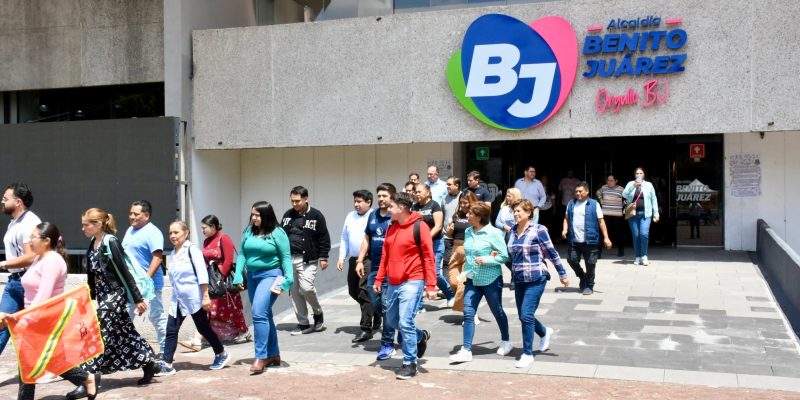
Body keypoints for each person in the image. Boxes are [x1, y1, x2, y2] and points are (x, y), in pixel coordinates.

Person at [0, 222, 98, 400]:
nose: (29, 242)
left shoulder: (52, 261)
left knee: (31, 363)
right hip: (35, 318)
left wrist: (20, 320)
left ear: (46, 241)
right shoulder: (40, 258)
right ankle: (87, 378)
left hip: (44, 320)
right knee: (44, 361)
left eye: (33, 238)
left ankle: (86, 378)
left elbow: (43, 298)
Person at [76, 208, 161, 395]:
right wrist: (90, 298)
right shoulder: (93, 243)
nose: (83, 228)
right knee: (124, 333)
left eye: (86, 224)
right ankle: (149, 362)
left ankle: (88, 379)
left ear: (98, 224)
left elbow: (124, 271)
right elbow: (91, 273)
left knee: (98, 335)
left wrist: (138, 298)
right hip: (103, 294)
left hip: (115, 295)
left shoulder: (111, 242)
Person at [373, 192, 436, 380]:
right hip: (393, 281)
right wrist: (379, 279)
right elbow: (385, 255)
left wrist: (431, 285)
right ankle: (420, 336)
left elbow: (428, 257)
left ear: (401, 208)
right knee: (392, 321)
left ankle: (410, 363)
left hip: (413, 280)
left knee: (404, 321)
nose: (387, 208)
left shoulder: (420, 226)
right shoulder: (391, 227)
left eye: (391, 206)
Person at [158, 221, 230, 376]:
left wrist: (205, 297)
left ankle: (221, 353)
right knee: (171, 329)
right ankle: (167, 364)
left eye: (176, 232)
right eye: (170, 233)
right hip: (178, 298)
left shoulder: (192, 250)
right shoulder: (173, 253)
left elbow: (202, 275)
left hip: (193, 298)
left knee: (203, 328)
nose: (172, 236)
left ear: (186, 232)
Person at [507, 199, 569, 368]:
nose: (516, 214)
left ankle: (527, 353)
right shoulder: (511, 231)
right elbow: (509, 256)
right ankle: (544, 332)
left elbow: (552, 253)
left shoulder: (539, 230)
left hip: (536, 277)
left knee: (526, 315)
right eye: (514, 211)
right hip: (519, 279)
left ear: (529, 213)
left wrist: (562, 273)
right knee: (523, 315)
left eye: (519, 211)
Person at [233, 201, 293, 374]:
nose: (253, 218)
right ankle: (274, 354)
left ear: (266, 215)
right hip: (252, 277)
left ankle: (261, 356)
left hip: (271, 275)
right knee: (265, 314)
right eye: (252, 214)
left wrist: (289, 278)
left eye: (257, 215)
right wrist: (238, 274)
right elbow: (243, 254)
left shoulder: (277, 233)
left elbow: (286, 258)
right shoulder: (248, 231)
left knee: (258, 313)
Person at [449, 203, 511, 363]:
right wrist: (464, 272)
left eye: (470, 213)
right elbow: (469, 253)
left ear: (479, 217)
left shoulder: (494, 233)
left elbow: (504, 256)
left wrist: (487, 259)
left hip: (491, 279)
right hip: (472, 279)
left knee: (497, 311)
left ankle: (506, 341)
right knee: (468, 313)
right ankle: (466, 350)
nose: (467, 215)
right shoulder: (469, 231)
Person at [180, 215, 250, 351]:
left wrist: (220, 278)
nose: (202, 231)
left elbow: (228, 260)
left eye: (204, 228)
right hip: (211, 279)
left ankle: (243, 332)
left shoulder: (224, 239)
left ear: (213, 226)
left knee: (231, 310)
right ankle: (201, 338)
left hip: (222, 281)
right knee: (209, 310)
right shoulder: (206, 241)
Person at [281, 186, 331, 335]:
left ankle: (317, 313)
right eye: (292, 201)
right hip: (289, 259)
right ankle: (303, 324)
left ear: (306, 199)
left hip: (308, 259)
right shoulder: (287, 215)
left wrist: (324, 257)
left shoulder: (316, 215)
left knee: (306, 288)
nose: (294, 204)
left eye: (297, 201)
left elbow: (324, 237)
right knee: (295, 292)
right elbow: (281, 236)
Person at [357, 183, 397, 360]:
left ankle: (387, 343)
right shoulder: (372, 215)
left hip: (392, 269)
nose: (381, 199)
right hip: (374, 268)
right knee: (375, 303)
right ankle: (400, 325)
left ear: (392, 197)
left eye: (385, 196)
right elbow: (367, 238)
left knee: (387, 305)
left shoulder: (396, 215)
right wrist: (359, 260)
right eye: (379, 196)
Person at [0, 183, 41, 357]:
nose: (2, 201)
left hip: (28, 281)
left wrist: (3, 264)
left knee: (35, 332)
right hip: (15, 282)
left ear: (18, 202)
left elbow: (31, 256)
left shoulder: (29, 223)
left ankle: (64, 368)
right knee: (2, 324)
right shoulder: (14, 223)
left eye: (5, 198)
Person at [122, 200, 167, 355]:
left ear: (146, 216)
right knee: (125, 318)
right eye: (130, 213)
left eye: (136, 214)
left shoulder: (152, 232)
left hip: (150, 286)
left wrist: (146, 280)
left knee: (156, 317)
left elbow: (158, 258)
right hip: (131, 285)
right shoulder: (130, 230)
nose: (132, 217)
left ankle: (165, 352)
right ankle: (124, 352)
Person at [336, 190, 375, 343]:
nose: (356, 204)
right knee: (353, 291)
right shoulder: (350, 216)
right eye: (355, 201)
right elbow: (344, 237)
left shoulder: (373, 216)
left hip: (367, 259)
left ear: (369, 202)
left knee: (364, 291)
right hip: (353, 258)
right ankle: (374, 311)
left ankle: (366, 328)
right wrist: (341, 257)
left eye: (359, 201)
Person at [562, 182, 612, 295]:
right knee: (571, 259)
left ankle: (589, 285)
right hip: (574, 240)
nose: (578, 193)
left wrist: (606, 238)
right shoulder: (571, 204)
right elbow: (566, 219)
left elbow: (601, 221)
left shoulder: (594, 204)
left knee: (590, 264)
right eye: (576, 192)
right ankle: (582, 276)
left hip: (590, 240)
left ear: (587, 191)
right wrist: (564, 229)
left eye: (580, 191)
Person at [412, 183, 454, 307]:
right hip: (419, 244)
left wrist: (426, 238)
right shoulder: (414, 207)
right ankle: (419, 304)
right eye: (416, 192)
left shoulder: (434, 205)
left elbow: (438, 226)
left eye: (420, 192)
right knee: (419, 273)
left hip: (435, 242)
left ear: (428, 193)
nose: (417, 194)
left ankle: (450, 294)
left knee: (434, 272)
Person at [445, 191, 478, 313]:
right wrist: (449, 230)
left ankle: (468, 313)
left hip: (470, 250)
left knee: (463, 283)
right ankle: (468, 308)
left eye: (466, 203)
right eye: (461, 203)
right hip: (456, 249)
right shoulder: (456, 215)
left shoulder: (476, 215)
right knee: (453, 281)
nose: (463, 205)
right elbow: (450, 234)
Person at [622, 168, 660, 266]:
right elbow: (624, 195)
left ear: (644, 174)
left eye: (641, 173)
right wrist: (633, 186)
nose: (639, 175)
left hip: (646, 214)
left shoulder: (649, 185)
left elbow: (653, 199)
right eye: (637, 173)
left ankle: (644, 256)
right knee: (636, 235)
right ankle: (638, 257)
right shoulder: (630, 184)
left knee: (644, 234)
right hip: (632, 214)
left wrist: (656, 213)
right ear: (634, 175)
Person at [495, 188, 522, 290]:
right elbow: (497, 221)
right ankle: (517, 272)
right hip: (504, 235)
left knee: (514, 257)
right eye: (507, 195)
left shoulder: (520, 207)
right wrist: (504, 227)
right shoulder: (504, 208)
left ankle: (514, 279)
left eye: (509, 195)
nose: (507, 197)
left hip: (515, 235)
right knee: (506, 258)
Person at [596, 175, 626, 257]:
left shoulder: (621, 189)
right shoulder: (604, 187)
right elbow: (598, 193)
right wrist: (601, 200)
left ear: (616, 181)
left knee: (619, 233)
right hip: (605, 213)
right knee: (602, 233)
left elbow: (628, 197)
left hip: (617, 214)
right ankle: (598, 253)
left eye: (611, 180)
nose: (609, 182)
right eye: (608, 180)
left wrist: (623, 204)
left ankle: (621, 250)